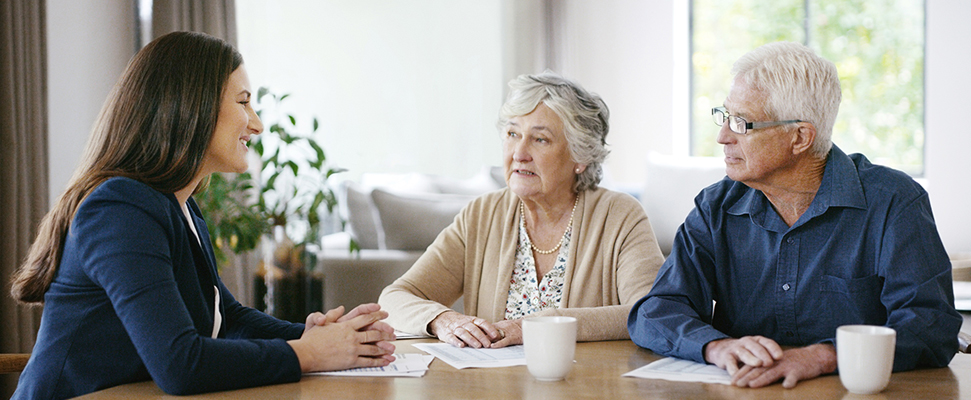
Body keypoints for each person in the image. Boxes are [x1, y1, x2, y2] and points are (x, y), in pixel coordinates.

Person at [9, 32, 395, 399]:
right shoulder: (120, 208)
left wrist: (319, 335)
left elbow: (227, 317)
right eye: (243, 102)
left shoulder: (179, 205)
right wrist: (310, 353)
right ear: (192, 105)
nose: (257, 124)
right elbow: (180, 364)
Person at [628, 41, 962, 389]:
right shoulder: (715, 207)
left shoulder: (893, 201)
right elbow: (656, 311)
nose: (723, 136)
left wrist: (822, 356)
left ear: (800, 137)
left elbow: (931, 325)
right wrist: (715, 346)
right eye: (724, 116)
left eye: (741, 123)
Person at [379, 71, 664, 348]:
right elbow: (394, 298)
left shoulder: (620, 216)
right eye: (513, 133)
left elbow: (652, 312)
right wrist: (443, 319)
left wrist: (541, 325)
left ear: (581, 156)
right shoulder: (481, 215)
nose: (519, 153)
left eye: (540, 139)